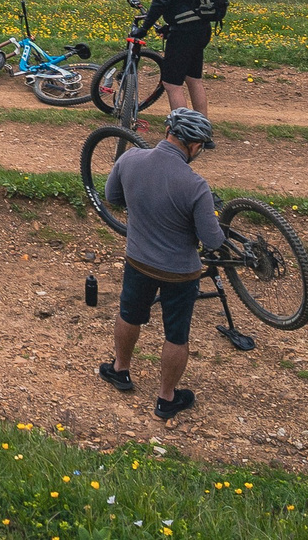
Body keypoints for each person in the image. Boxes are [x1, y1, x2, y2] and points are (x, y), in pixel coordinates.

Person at [97, 107, 226, 422]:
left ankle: (120, 370)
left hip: (138, 260)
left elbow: (111, 197)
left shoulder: (129, 160)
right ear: (194, 145)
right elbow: (212, 242)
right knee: (176, 335)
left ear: (168, 131)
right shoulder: (195, 186)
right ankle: (166, 398)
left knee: (130, 315)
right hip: (180, 273)